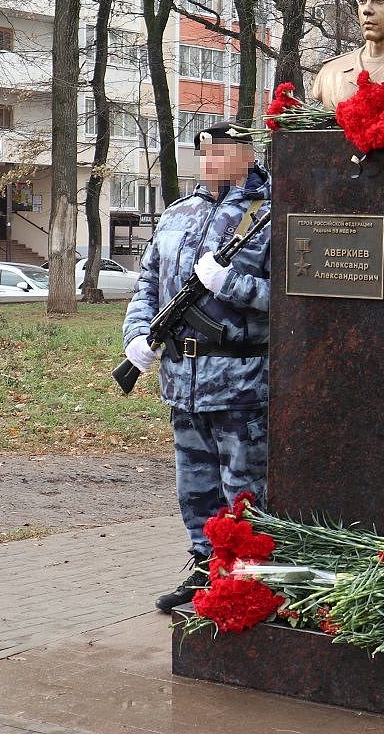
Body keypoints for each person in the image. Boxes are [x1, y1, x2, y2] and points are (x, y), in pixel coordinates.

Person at [122, 122, 272, 613]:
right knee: (196, 490)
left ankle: (248, 580)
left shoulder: (271, 215)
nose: (209, 158)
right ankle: (206, 570)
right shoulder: (177, 214)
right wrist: (137, 338)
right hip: (181, 383)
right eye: (204, 150)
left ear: (248, 155)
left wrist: (232, 285)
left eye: (222, 150)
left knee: (245, 493)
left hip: (240, 383)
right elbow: (147, 283)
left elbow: (297, 300)